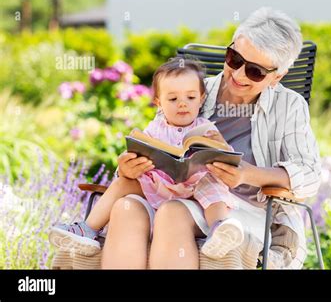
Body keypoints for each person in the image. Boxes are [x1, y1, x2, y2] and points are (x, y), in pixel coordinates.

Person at [101, 7, 322, 269]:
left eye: (255, 72)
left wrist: (249, 175)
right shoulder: (191, 92)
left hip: (240, 211)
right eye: (234, 59)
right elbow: (154, 140)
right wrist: (128, 169)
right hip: (169, 193)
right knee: (125, 209)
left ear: (277, 77)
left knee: (173, 213)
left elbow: (310, 175)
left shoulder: (289, 106)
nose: (238, 75)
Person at [49, 58, 244, 259]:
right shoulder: (154, 128)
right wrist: (133, 160)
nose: (183, 104)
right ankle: (88, 229)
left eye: (191, 97)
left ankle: (220, 229)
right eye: (173, 99)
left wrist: (220, 146)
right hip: (159, 186)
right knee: (125, 181)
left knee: (212, 185)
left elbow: (226, 158)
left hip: (194, 191)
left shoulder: (207, 129)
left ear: (201, 99)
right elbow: (140, 153)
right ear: (159, 102)